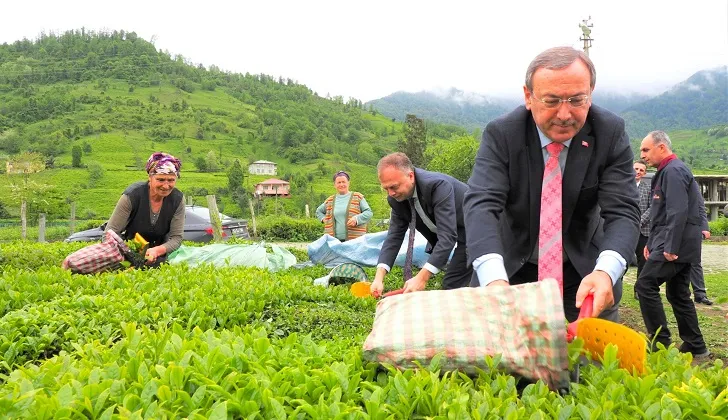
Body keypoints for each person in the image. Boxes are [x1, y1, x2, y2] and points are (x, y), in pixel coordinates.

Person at [463, 46, 640, 322]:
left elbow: (623, 211)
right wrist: (494, 280)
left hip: (584, 272)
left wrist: (606, 271)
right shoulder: (503, 135)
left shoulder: (609, 132)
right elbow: (481, 205)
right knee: (498, 359)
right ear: (528, 97)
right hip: (511, 269)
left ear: (591, 95)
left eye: (577, 100)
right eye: (552, 100)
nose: (565, 114)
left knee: (594, 359)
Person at [635, 130, 709, 358]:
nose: (643, 155)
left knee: (645, 285)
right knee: (678, 294)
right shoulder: (668, 171)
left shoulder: (674, 171)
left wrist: (670, 248)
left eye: (646, 150)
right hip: (675, 243)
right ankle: (695, 345)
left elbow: (678, 212)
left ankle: (659, 342)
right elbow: (663, 213)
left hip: (676, 246)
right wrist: (653, 243)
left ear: (661, 148)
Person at [370, 153, 472, 296]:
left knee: (454, 284)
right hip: (460, 231)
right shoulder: (396, 199)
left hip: (480, 228)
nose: (391, 193)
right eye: (386, 189)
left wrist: (422, 278)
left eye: (394, 187)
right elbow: (394, 236)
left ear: (410, 176)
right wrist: (378, 278)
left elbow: (447, 236)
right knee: (454, 283)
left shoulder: (437, 186)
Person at [106, 152, 185, 266]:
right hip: (129, 252)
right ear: (150, 177)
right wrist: (128, 254)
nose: (166, 186)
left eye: (171, 180)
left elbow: (176, 238)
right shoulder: (132, 196)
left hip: (162, 254)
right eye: (161, 180)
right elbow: (109, 233)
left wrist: (156, 251)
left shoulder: (177, 199)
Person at [315, 171, 373, 241]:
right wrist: (325, 220)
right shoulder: (330, 200)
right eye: (339, 182)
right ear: (334, 185)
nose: (341, 184)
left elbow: (369, 213)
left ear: (348, 183)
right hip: (334, 241)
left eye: (343, 182)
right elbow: (319, 211)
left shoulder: (357, 197)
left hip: (355, 241)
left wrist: (357, 219)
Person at [633, 159, 651, 300]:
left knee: (643, 262)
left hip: (643, 230)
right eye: (636, 169)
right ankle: (615, 288)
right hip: (624, 230)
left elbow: (652, 208)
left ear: (644, 173)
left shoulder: (648, 188)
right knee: (621, 260)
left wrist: (639, 222)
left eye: (641, 170)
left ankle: (639, 290)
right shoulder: (621, 186)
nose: (638, 172)